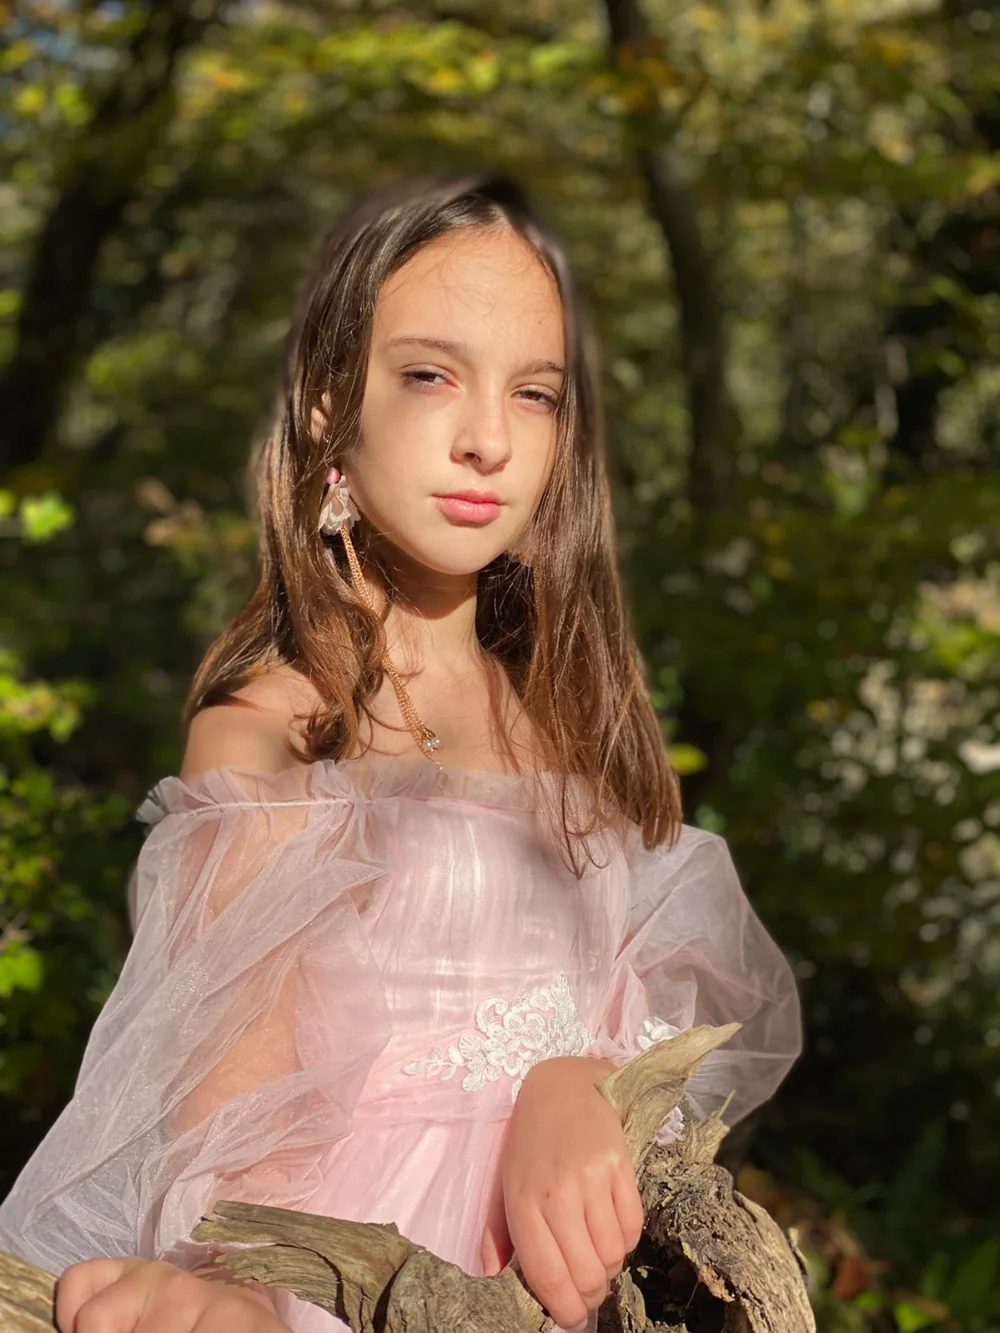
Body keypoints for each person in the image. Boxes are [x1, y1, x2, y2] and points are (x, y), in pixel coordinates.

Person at [0, 173, 802, 1333]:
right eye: (430, 375)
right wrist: (246, 1298)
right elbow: (232, 1108)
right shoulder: (275, 729)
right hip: (365, 1275)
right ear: (330, 407)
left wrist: (580, 1084)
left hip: (575, 1293)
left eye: (533, 393)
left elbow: (671, 1056)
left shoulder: (578, 730)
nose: (488, 439)